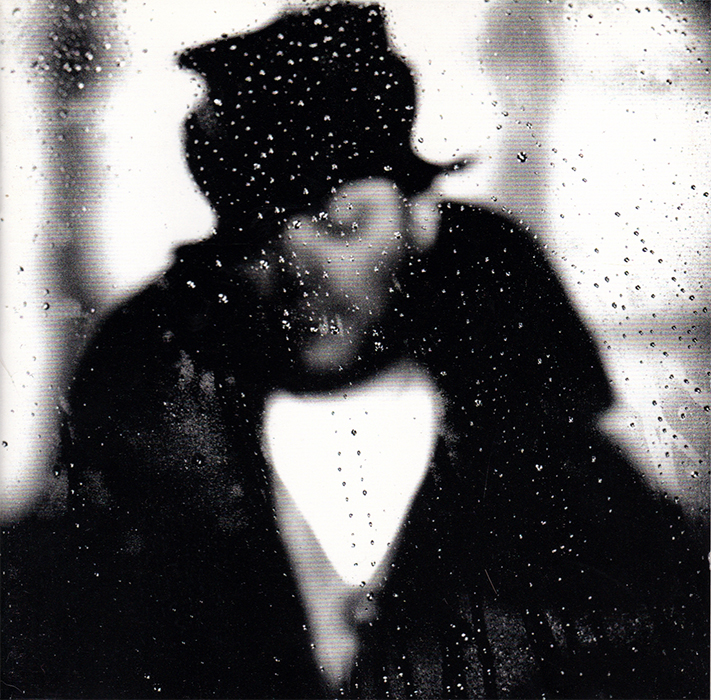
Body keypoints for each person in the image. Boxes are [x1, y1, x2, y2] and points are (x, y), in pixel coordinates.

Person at [1, 4, 707, 699]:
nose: (299, 276)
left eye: (340, 226)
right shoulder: (143, 459)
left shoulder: (561, 480)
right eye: (258, 239)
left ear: (419, 218)